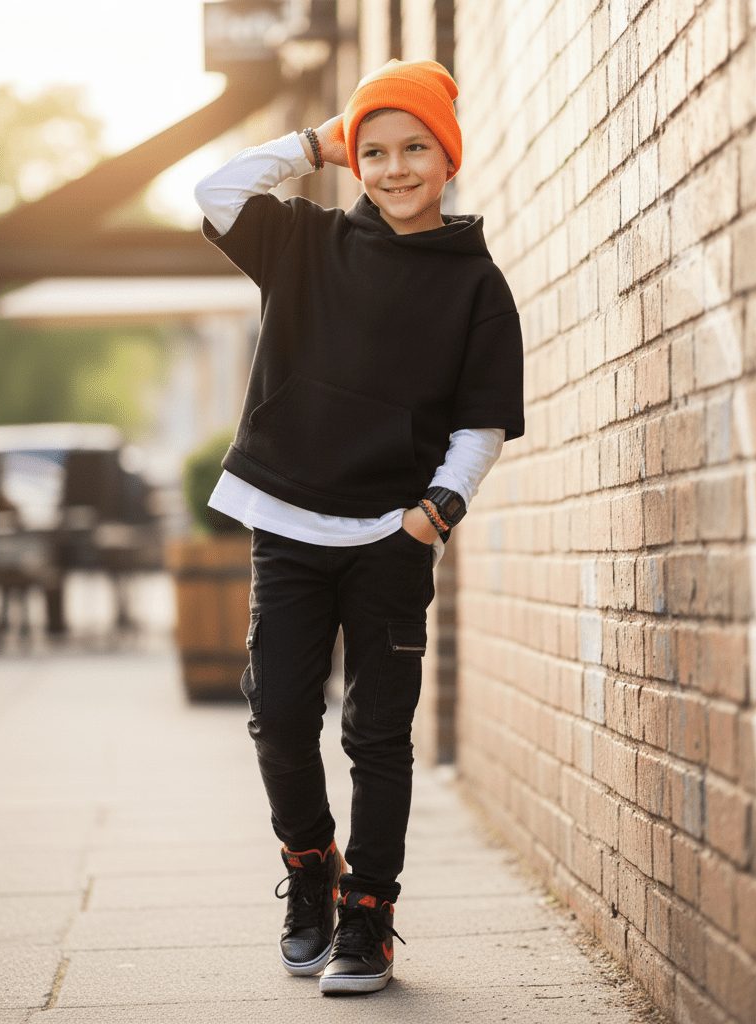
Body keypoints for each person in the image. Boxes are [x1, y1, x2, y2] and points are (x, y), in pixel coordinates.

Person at [193, 57, 524, 995]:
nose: (394, 167)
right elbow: (213, 191)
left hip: (390, 537)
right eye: (373, 150)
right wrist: (313, 143)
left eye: (414, 147)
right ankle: (310, 866)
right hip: (287, 523)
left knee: (378, 735)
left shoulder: (476, 285)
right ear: (353, 158)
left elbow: (481, 421)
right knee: (281, 714)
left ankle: (369, 916)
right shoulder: (305, 242)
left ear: (446, 158)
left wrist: (435, 515)